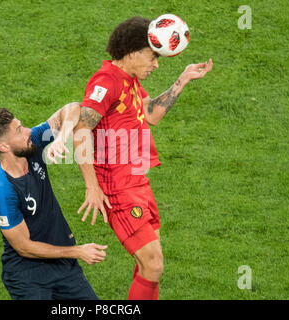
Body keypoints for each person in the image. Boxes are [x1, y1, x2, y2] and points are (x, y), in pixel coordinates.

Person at [73, 16, 213, 300]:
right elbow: (80, 130)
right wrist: (92, 186)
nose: (156, 64)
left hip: (138, 183)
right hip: (117, 188)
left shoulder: (130, 80)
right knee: (153, 263)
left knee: (150, 265)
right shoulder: (106, 81)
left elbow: (152, 114)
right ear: (133, 53)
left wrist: (183, 79)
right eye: (152, 57)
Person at [0, 103, 107, 300]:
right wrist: (78, 251)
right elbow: (24, 247)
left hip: (64, 267)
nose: (28, 131)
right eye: (19, 131)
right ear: (4, 147)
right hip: (28, 278)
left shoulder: (32, 144)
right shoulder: (1, 191)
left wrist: (62, 138)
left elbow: (73, 108)